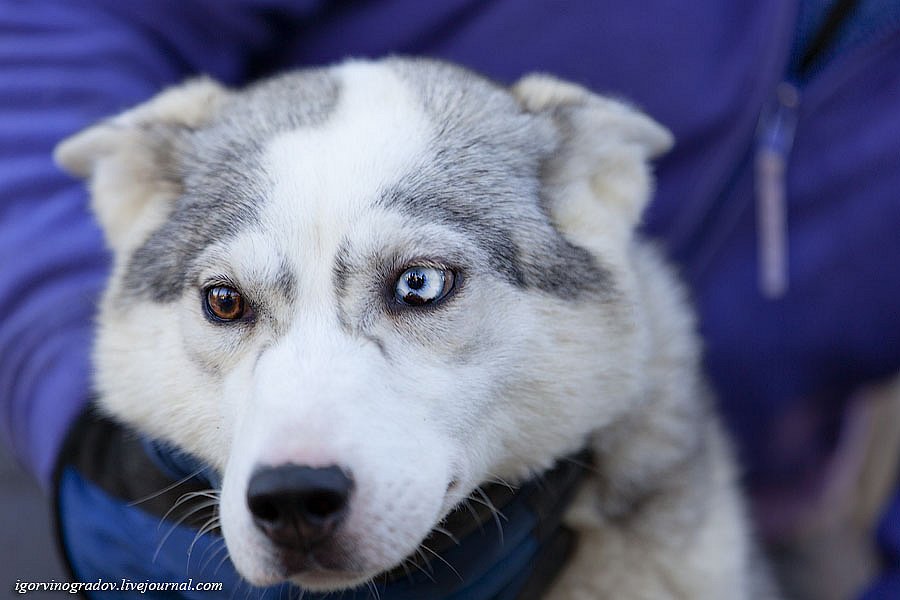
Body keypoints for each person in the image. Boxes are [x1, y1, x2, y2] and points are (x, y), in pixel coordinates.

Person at [1, 1, 898, 598]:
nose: (294, 471)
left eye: (418, 287)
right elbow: (59, 24)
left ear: (597, 183)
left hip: (752, 510)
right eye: (229, 305)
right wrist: (73, 414)